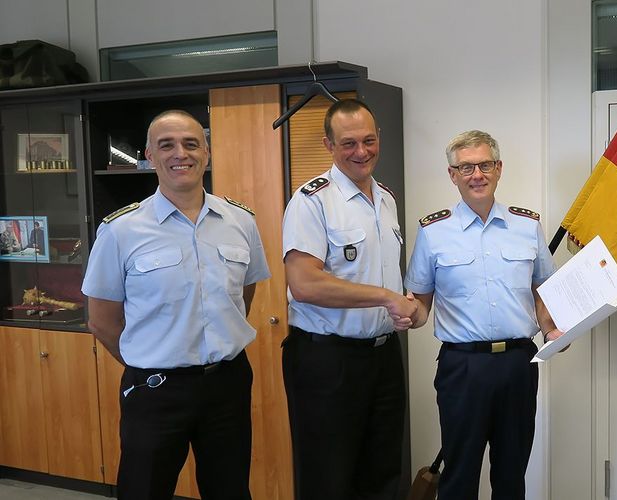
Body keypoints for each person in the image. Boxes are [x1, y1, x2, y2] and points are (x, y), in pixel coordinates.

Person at [81, 109, 270, 500]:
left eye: (190, 143)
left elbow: (242, 297)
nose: (179, 153)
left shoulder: (241, 221)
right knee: (144, 490)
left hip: (227, 383)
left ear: (207, 152)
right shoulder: (121, 230)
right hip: (155, 388)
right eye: (166, 145)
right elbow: (101, 320)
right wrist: (150, 356)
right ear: (150, 156)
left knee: (230, 489)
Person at [404, 130, 562, 500]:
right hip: (462, 367)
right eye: (467, 167)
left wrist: (552, 329)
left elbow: (541, 289)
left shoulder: (527, 226)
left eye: (485, 164)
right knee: (460, 474)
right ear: (453, 174)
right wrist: (405, 312)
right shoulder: (433, 232)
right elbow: (421, 304)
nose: (477, 174)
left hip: (518, 364)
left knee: (511, 473)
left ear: (499, 168)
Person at [281, 98, 416, 500]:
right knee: (329, 477)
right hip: (327, 362)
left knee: (383, 472)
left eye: (369, 140)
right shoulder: (311, 201)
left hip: (383, 356)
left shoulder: (386, 199)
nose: (362, 152)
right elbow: (304, 284)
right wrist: (386, 297)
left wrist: (406, 302)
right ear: (329, 145)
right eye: (349, 143)